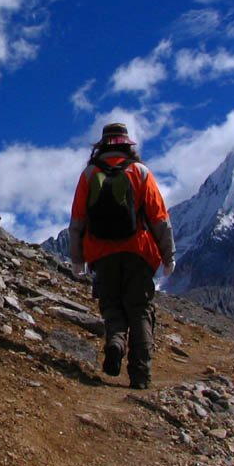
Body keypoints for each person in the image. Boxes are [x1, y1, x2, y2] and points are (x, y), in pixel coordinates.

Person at [68, 122, 175, 389]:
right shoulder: (140, 172)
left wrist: (77, 259)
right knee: (140, 310)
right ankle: (140, 375)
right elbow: (159, 218)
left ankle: (115, 342)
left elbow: (78, 220)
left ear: (101, 146)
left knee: (112, 306)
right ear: (128, 145)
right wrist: (168, 255)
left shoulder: (89, 174)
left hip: (101, 253)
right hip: (139, 251)